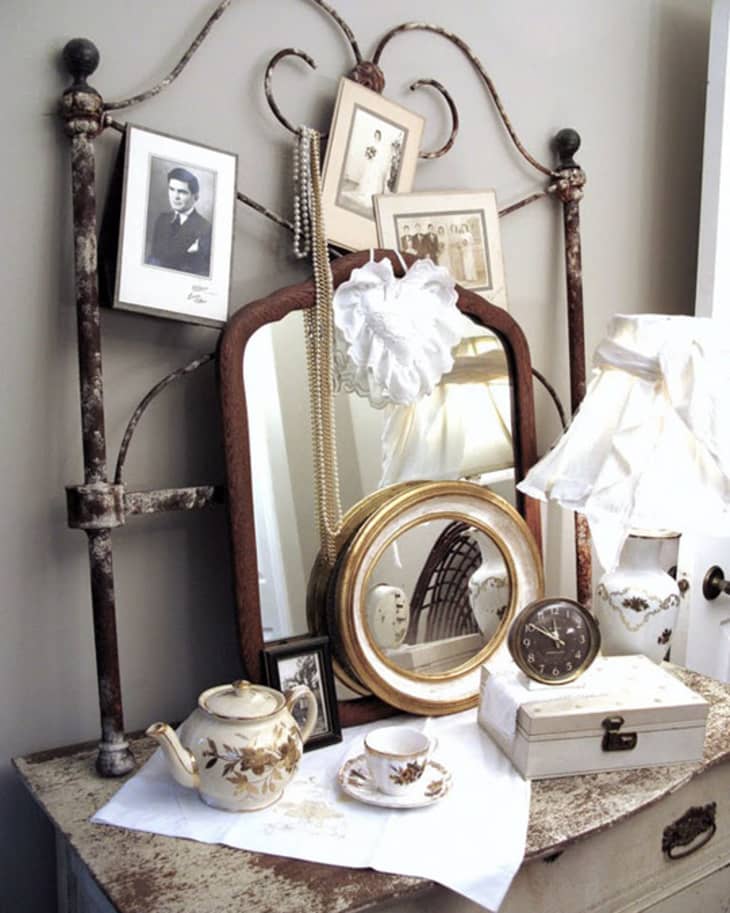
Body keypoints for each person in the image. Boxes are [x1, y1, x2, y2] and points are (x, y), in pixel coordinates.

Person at [146, 167, 212, 277]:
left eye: (182, 192)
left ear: (195, 197)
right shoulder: (162, 219)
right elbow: (153, 258)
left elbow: (201, 272)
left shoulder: (205, 228)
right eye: (172, 189)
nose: (175, 197)